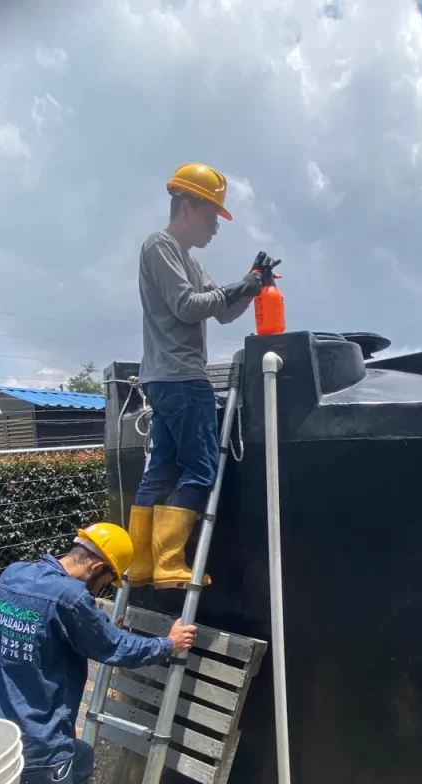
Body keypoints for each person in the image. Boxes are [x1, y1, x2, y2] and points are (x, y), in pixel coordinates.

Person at [0, 522, 196, 784]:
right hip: (40, 746)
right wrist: (169, 644)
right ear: (97, 567)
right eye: (108, 580)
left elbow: (46, 633)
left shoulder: (14, 575)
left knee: (81, 758)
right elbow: (118, 649)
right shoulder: (71, 598)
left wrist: (95, 629)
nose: (105, 589)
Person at [127, 161, 280, 590]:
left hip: (163, 377)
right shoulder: (160, 246)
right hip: (180, 375)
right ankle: (170, 563)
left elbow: (225, 311)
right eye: (213, 216)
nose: (216, 226)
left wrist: (251, 287)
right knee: (200, 468)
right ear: (187, 205)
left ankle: (141, 565)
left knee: (160, 469)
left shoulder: (189, 261)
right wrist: (241, 285)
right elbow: (188, 306)